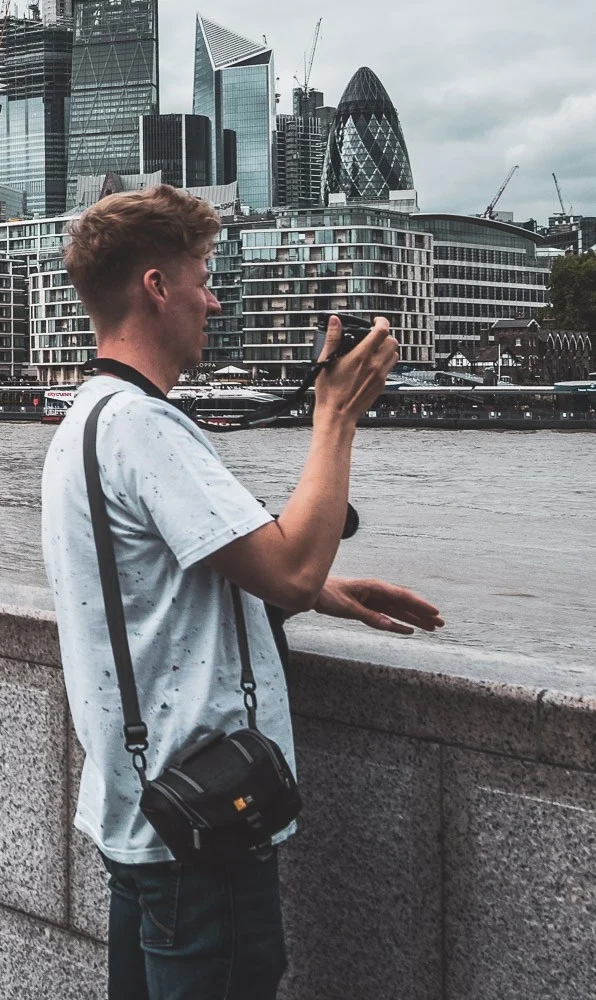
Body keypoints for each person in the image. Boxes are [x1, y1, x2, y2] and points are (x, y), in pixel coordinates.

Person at [40, 185, 444, 1000]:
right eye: (201, 275)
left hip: (142, 816)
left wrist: (322, 593)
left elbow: (180, 577)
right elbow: (287, 563)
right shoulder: (144, 426)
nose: (212, 299)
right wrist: (334, 417)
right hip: (205, 828)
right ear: (157, 287)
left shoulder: (87, 418)